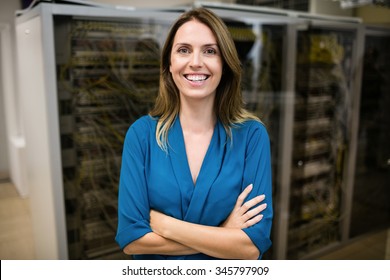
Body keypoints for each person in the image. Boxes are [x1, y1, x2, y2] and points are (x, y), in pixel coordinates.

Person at [115, 7, 273, 260]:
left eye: (210, 51)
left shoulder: (252, 136)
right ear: (169, 62)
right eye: (184, 50)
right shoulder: (141, 135)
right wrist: (223, 233)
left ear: (225, 64)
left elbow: (251, 247)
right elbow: (132, 241)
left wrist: (166, 226)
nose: (196, 62)